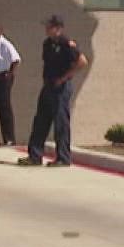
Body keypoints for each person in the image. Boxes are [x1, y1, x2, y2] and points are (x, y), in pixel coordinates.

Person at [20, 14, 88, 167]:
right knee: (40, 121)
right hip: (48, 85)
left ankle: (63, 158)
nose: (47, 29)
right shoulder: (47, 44)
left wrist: (64, 78)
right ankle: (35, 156)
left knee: (61, 123)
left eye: (49, 27)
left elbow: (82, 62)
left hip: (61, 88)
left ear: (58, 28)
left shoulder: (67, 44)